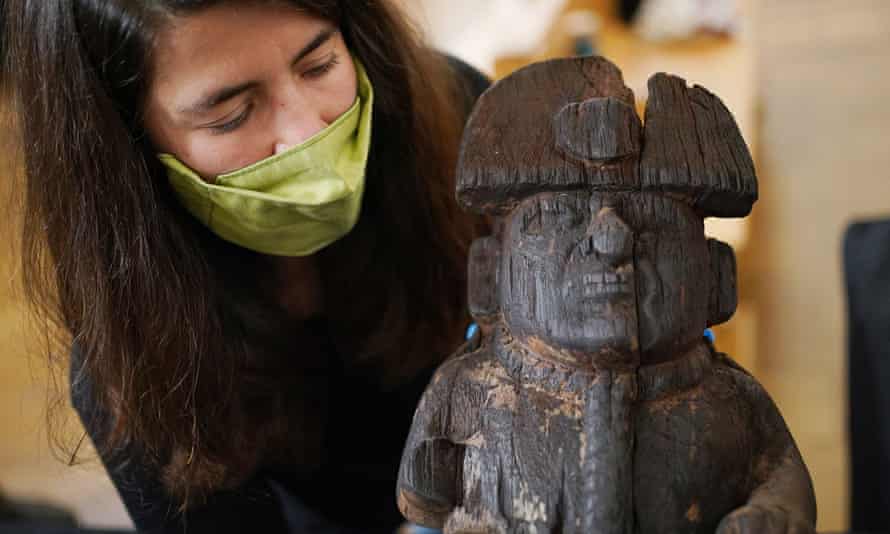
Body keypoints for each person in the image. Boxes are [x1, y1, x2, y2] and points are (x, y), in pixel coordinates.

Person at [3, 1, 490, 532]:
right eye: (230, 115)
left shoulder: (458, 115)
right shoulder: (138, 365)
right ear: (127, 146)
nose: (305, 135)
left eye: (320, 65)